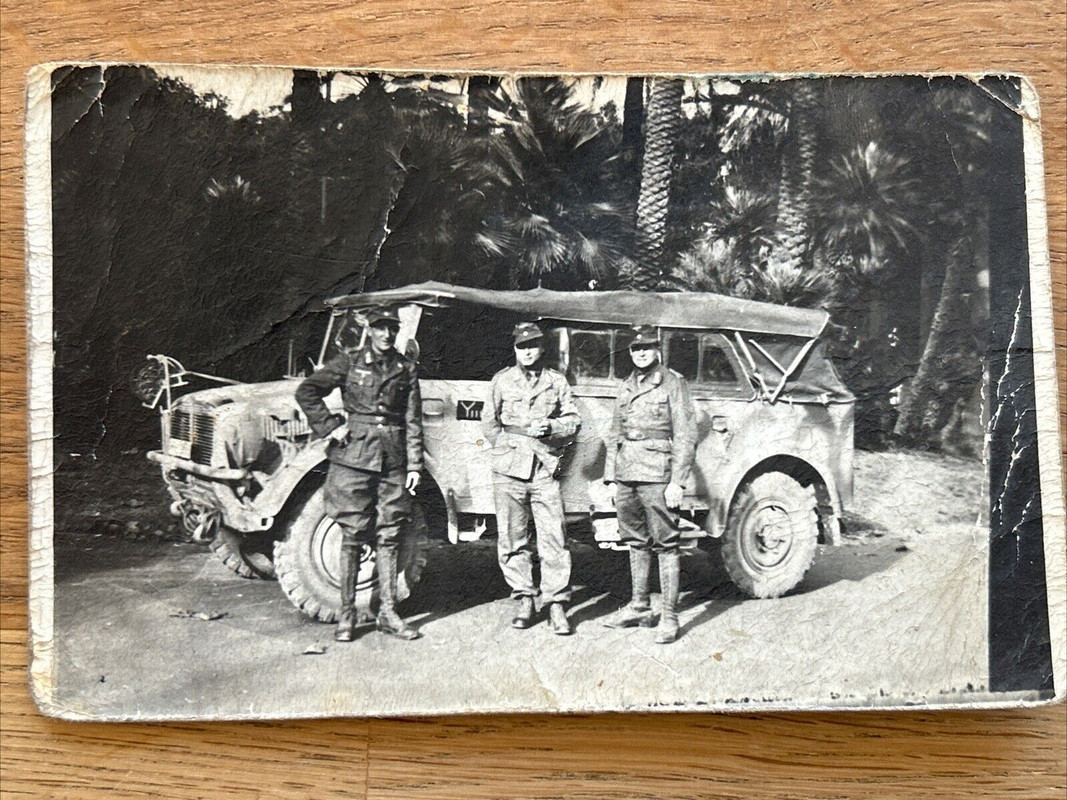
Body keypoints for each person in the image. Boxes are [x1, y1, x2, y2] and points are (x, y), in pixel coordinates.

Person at [295, 307, 423, 642]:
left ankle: (388, 613)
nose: (385, 335)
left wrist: (414, 466)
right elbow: (307, 391)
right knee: (352, 535)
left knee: (390, 534)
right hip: (353, 458)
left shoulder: (406, 368)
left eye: (391, 329)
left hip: (393, 461)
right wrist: (330, 428)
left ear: (396, 331)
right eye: (380, 328)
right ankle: (347, 615)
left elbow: (412, 420)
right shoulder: (349, 361)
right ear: (369, 329)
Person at [484, 322, 581, 635]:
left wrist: (552, 429)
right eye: (521, 347)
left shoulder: (556, 381)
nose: (527, 352)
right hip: (509, 468)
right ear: (514, 349)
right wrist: (507, 448)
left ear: (542, 348)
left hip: (543, 467)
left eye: (533, 346)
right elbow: (489, 423)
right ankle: (524, 597)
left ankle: (555, 603)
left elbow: (573, 420)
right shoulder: (502, 380)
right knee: (512, 537)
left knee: (553, 536)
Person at [602, 325, 697, 644]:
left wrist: (678, 482)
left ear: (657, 349)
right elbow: (614, 433)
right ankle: (639, 606)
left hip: (658, 472)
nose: (641, 353)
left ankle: (669, 616)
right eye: (635, 349)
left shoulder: (672, 382)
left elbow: (685, 435)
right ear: (629, 352)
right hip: (627, 471)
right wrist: (611, 477)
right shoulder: (626, 384)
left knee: (666, 543)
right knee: (635, 541)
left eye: (647, 347)